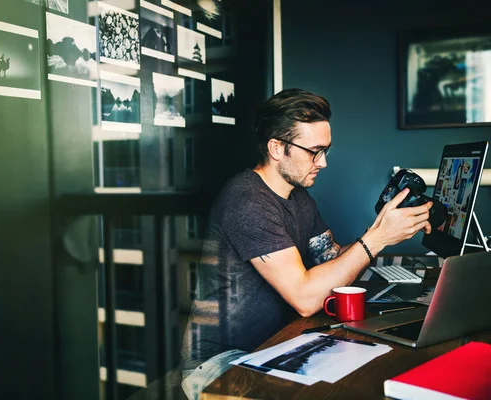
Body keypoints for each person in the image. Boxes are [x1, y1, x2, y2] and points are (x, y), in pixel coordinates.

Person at [180, 88, 433, 399]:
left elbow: (331, 258)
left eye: (326, 150)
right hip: (221, 361)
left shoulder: (300, 197)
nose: (323, 163)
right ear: (276, 148)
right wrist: (377, 238)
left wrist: (383, 227)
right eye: (314, 151)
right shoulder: (246, 200)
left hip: (277, 344)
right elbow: (305, 298)